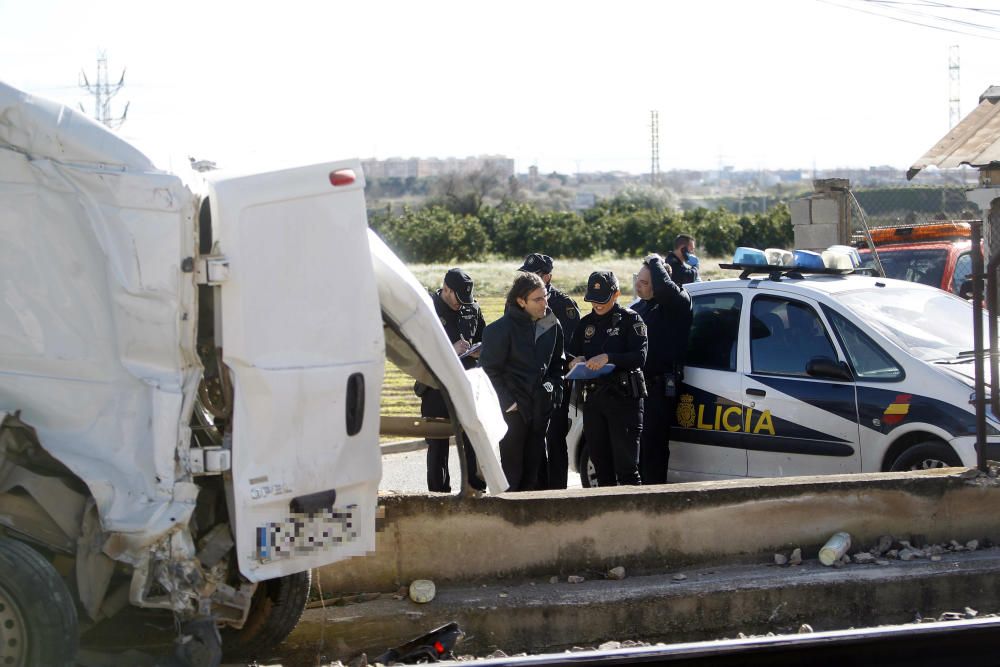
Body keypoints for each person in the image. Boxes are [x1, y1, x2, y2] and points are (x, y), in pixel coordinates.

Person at [480, 272, 564, 491]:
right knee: (512, 476)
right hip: (513, 414)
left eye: (545, 296)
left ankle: (534, 524)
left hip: (540, 409)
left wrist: (553, 393)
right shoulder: (498, 330)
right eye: (538, 299)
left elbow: (557, 366)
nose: (545, 302)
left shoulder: (551, 325)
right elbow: (488, 371)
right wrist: (510, 404)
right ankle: (509, 523)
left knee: (535, 475)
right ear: (521, 301)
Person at [567, 271, 647, 486]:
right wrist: (576, 361)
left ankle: (632, 518)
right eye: (593, 300)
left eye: (602, 300)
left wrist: (609, 358)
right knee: (601, 468)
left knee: (627, 468)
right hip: (594, 400)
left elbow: (640, 357)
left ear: (617, 294)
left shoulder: (631, 320)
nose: (597, 305)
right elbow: (571, 355)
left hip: (624, 399)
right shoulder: (585, 325)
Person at [415, 268, 487, 492]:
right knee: (438, 444)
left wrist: (479, 350)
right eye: (458, 298)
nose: (462, 304)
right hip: (436, 386)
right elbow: (417, 349)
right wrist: (450, 350)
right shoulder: (426, 308)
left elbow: (484, 337)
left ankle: (475, 491)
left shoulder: (472, 308)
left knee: (474, 441)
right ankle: (438, 496)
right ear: (446, 288)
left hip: (466, 383)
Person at [517, 252, 580, 489]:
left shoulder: (564, 306)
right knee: (532, 440)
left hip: (554, 383)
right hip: (527, 385)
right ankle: (537, 491)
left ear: (548, 277)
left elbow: (573, 349)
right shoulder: (517, 302)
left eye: (534, 274)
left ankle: (557, 493)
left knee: (554, 439)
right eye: (526, 273)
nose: (529, 278)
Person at [632, 254, 693, 484]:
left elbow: (667, 291)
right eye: (637, 279)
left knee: (653, 450)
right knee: (638, 451)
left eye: (645, 282)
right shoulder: (639, 308)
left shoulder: (677, 304)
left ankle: (654, 501)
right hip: (638, 388)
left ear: (659, 284)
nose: (638, 285)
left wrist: (655, 260)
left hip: (659, 389)